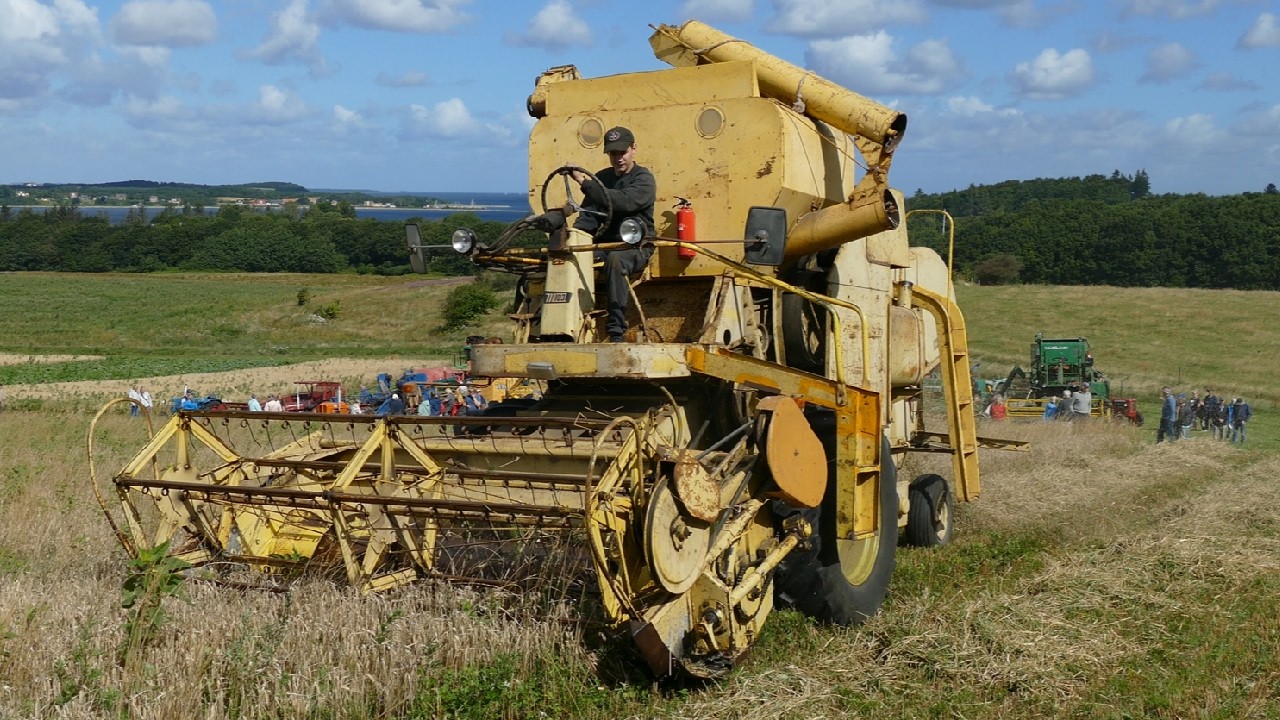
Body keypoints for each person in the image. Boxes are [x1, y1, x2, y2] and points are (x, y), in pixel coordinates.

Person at [568, 126, 657, 343]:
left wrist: (583, 182)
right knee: (567, 258)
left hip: (635, 247)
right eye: (613, 153)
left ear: (633, 149)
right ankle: (567, 325)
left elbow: (624, 201)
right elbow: (588, 217)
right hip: (605, 246)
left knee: (617, 260)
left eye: (622, 152)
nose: (618, 158)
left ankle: (616, 330)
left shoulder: (643, 179)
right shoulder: (602, 178)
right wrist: (574, 238)